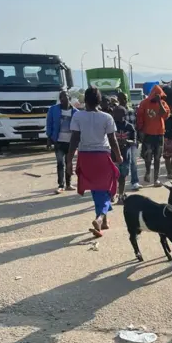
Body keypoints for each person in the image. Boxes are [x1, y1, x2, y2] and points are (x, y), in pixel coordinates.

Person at [66, 87, 122, 238]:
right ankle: (99, 219)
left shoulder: (77, 117)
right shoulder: (106, 117)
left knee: (97, 189)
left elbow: (74, 139)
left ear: (85, 100)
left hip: (85, 156)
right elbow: (113, 139)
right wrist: (119, 155)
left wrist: (69, 160)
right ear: (99, 101)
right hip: (102, 155)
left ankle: (104, 221)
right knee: (106, 188)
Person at [136, 85, 170, 187]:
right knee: (148, 156)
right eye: (156, 96)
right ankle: (147, 172)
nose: (157, 97)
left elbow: (165, 115)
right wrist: (140, 130)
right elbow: (140, 117)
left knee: (158, 157)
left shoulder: (163, 104)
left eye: (159, 96)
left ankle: (156, 179)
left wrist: (159, 102)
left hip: (159, 134)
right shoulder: (144, 103)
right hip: (148, 134)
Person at [46, 90, 78, 193]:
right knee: (60, 163)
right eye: (62, 98)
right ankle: (61, 185)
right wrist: (49, 139)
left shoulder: (76, 112)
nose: (64, 99)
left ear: (69, 98)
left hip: (71, 143)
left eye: (66, 97)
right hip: (58, 141)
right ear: (60, 99)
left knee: (69, 162)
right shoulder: (53, 110)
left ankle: (69, 184)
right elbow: (49, 124)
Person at [111, 106, 137, 204]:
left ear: (124, 114)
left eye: (118, 113)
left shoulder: (129, 127)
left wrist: (127, 141)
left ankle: (121, 196)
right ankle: (113, 194)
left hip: (125, 156)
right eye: (114, 113)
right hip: (112, 156)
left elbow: (134, 140)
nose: (115, 115)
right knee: (113, 176)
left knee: (122, 176)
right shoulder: (110, 126)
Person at [117, 91, 141, 191]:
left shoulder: (132, 111)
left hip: (131, 141)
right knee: (120, 163)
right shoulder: (116, 112)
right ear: (119, 100)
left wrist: (137, 139)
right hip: (119, 142)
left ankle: (134, 182)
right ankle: (119, 184)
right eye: (123, 99)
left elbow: (136, 126)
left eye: (126, 98)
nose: (125, 101)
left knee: (134, 162)